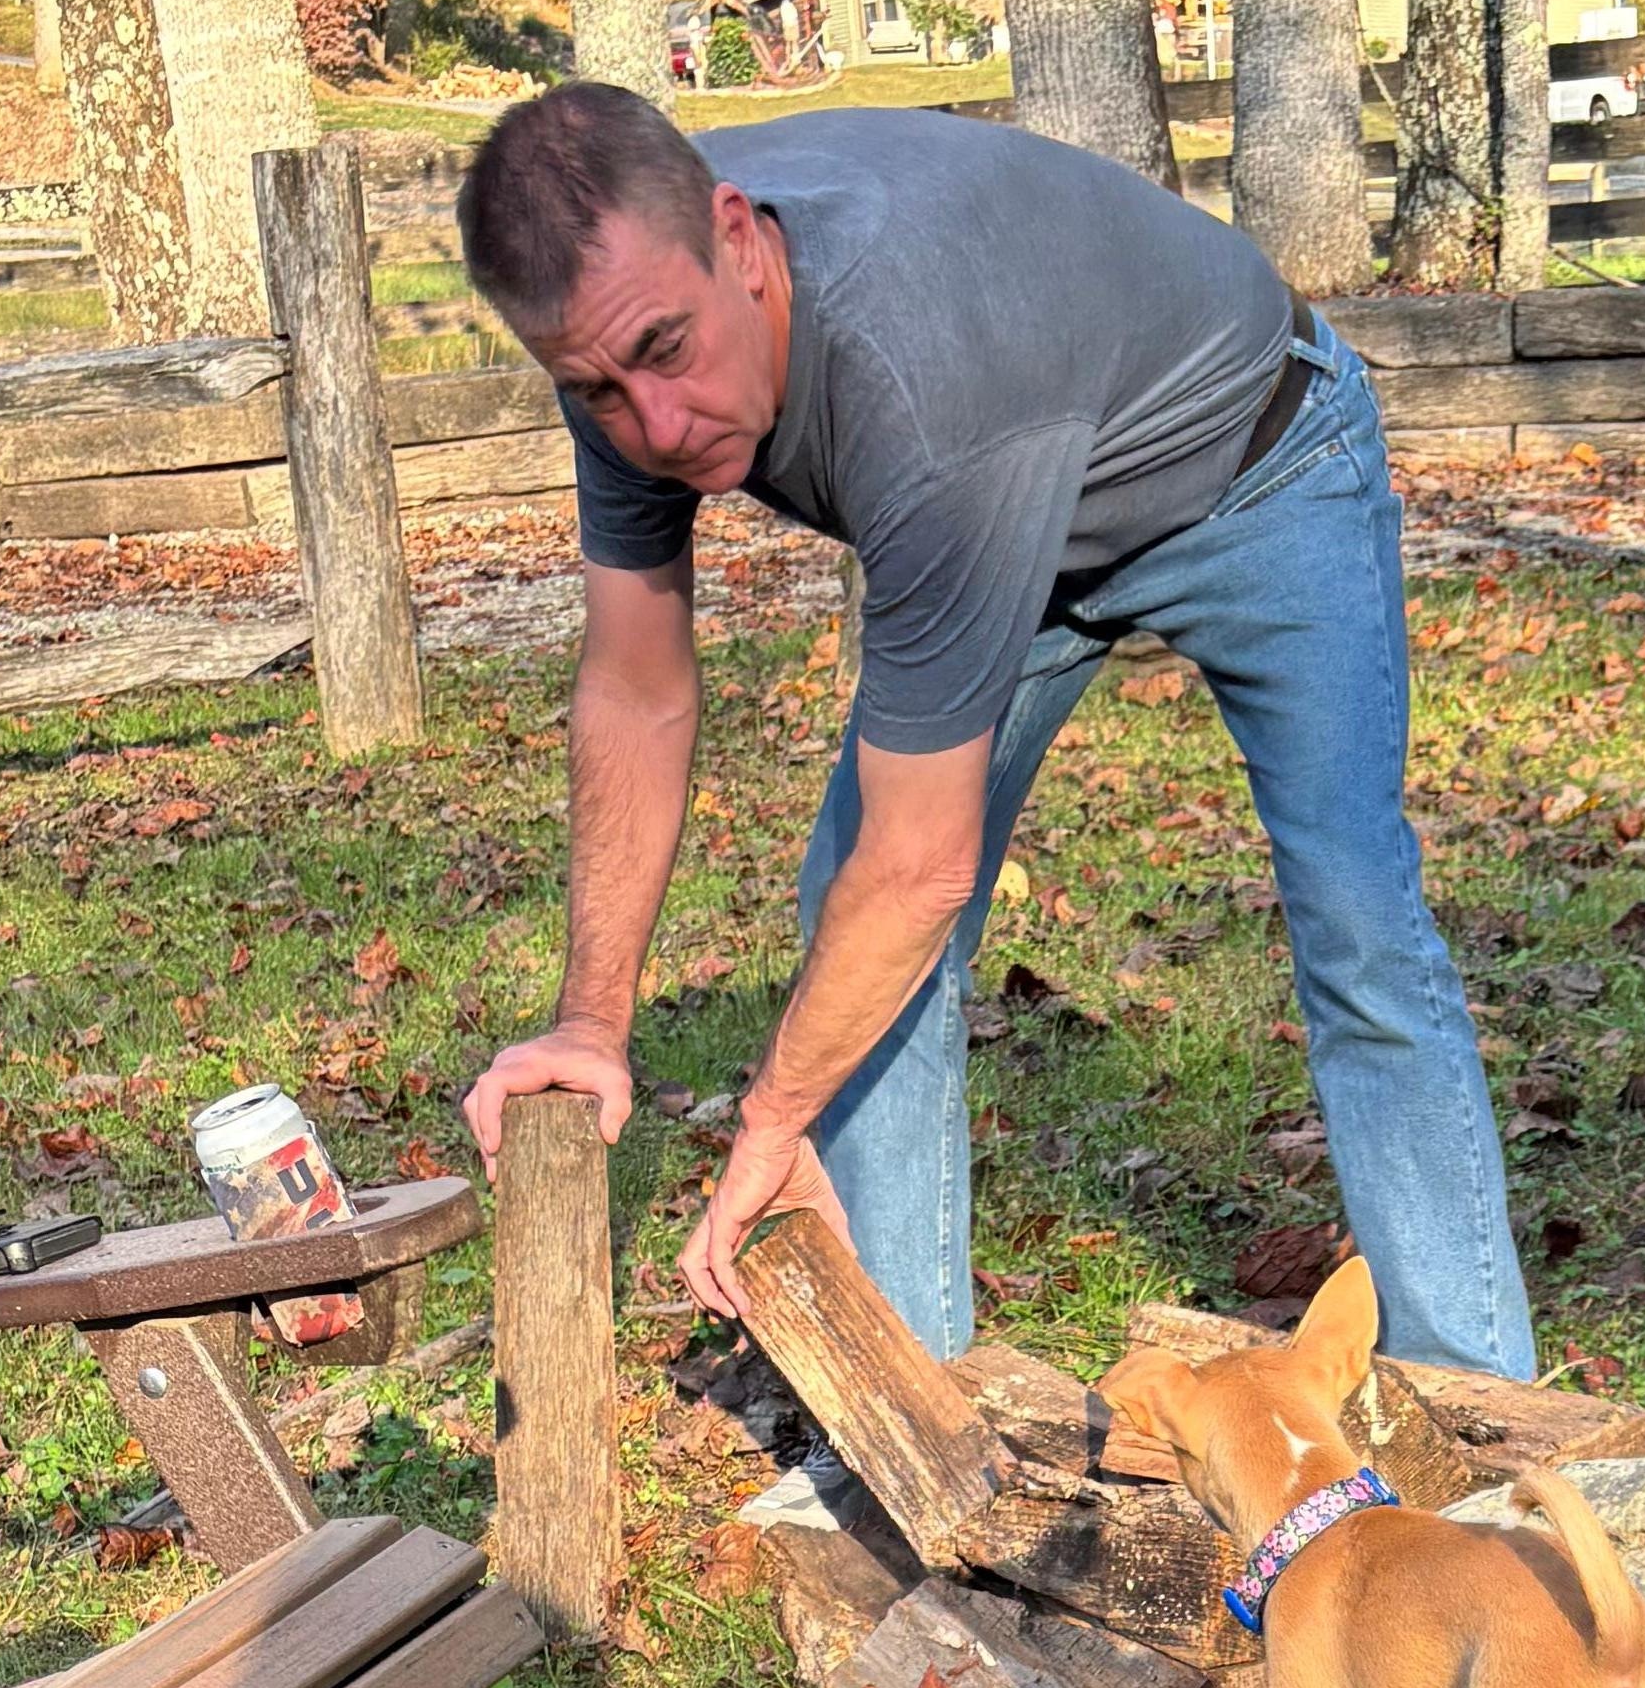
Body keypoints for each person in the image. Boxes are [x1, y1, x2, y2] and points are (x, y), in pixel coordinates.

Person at [452, 82, 1533, 1380]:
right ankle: (908, 1406)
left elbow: (921, 867)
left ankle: (1476, 1401)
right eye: (598, 390)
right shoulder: (617, 310)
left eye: (669, 353)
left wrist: (773, 1119)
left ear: (739, 239)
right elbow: (636, 685)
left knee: (1358, 918)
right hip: (1020, 503)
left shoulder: (912, 367)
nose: (658, 426)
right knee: (856, 918)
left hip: (1257, 463)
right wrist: (589, 1023)